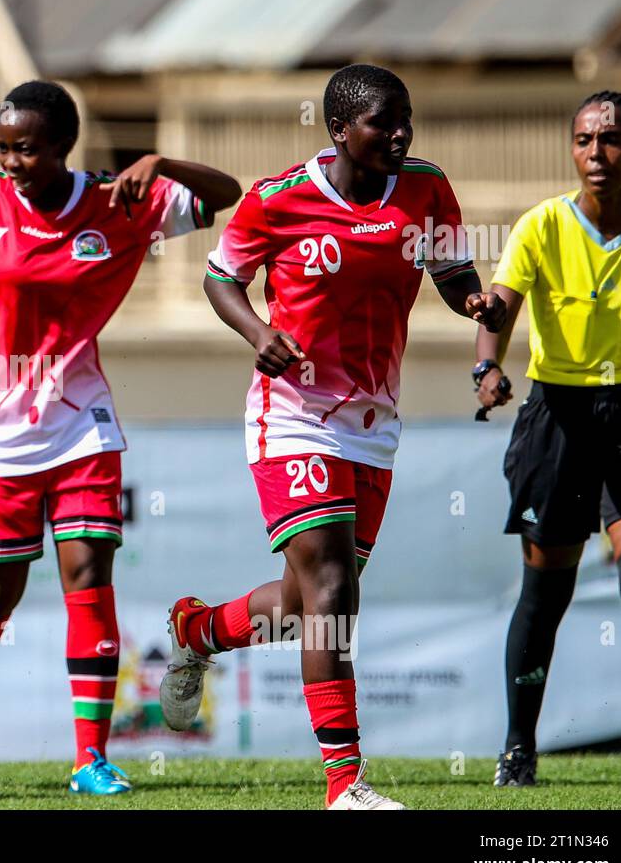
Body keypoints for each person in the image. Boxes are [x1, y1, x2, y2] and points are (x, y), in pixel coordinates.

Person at [159, 64, 506, 809]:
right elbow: (222, 277)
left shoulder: (425, 187)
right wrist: (258, 331)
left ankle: (199, 630)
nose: (400, 133)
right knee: (333, 591)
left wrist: (471, 299)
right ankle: (345, 786)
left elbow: (451, 269)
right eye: (384, 121)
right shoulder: (278, 199)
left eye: (406, 118)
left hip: (373, 425)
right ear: (339, 129)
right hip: (292, 416)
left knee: (301, 602)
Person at [0, 80, 241, 795]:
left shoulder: (120, 202)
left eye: (27, 149)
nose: (12, 162)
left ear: (61, 147)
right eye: (4, 148)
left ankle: (90, 758)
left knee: (90, 580)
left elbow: (228, 193)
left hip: (82, 425)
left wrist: (165, 163)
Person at [476, 90, 621, 789]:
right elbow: (500, 306)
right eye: (583, 140)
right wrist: (487, 365)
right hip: (558, 415)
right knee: (546, 588)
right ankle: (519, 749)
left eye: (611, 140)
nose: (595, 153)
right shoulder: (542, 225)